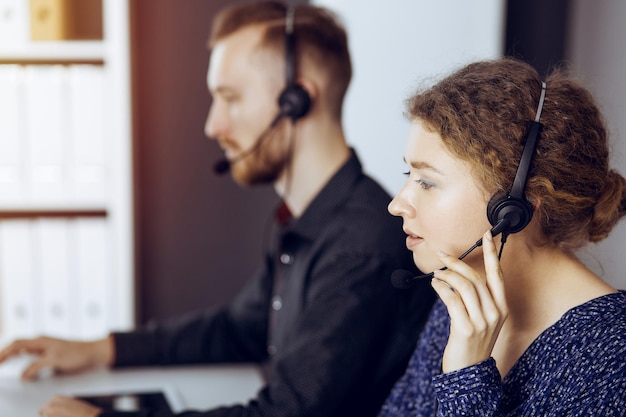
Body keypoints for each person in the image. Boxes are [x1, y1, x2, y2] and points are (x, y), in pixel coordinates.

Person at [0, 1, 436, 417]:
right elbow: (236, 328)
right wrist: (102, 349)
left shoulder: (358, 246)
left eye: (230, 98)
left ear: (297, 100)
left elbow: (287, 413)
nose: (213, 125)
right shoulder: (310, 222)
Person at [377, 57, 626, 416]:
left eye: (427, 182)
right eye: (408, 173)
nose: (397, 205)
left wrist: (465, 380)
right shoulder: (462, 307)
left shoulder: (611, 358)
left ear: (513, 209)